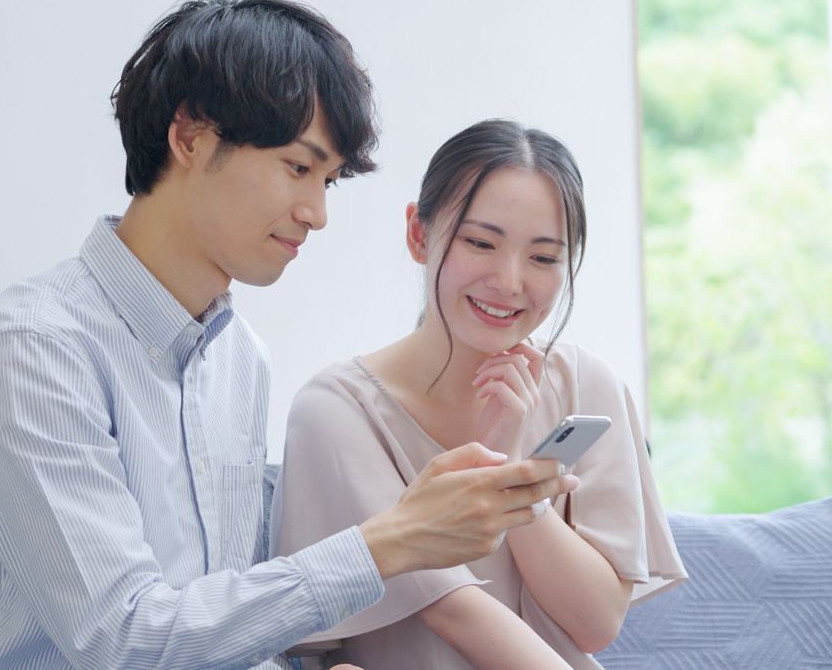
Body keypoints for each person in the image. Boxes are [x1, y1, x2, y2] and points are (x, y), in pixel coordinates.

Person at [0, 0, 577, 669]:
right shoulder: (31, 353)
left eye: (329, 181)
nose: (316, 213)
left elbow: (217, 623)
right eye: (298, 167)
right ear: (191, 136)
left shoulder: (237, 358)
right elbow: (124, 641)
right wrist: (390, 540)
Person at [272, 119, 688, 669]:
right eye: (480, 243)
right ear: (419, 235)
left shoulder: (589, 387)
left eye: (543, 257)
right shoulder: (337, 411)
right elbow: (452, 611)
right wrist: (497, 476)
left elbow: (595, 623)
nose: (510, 281)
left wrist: (519, 476)